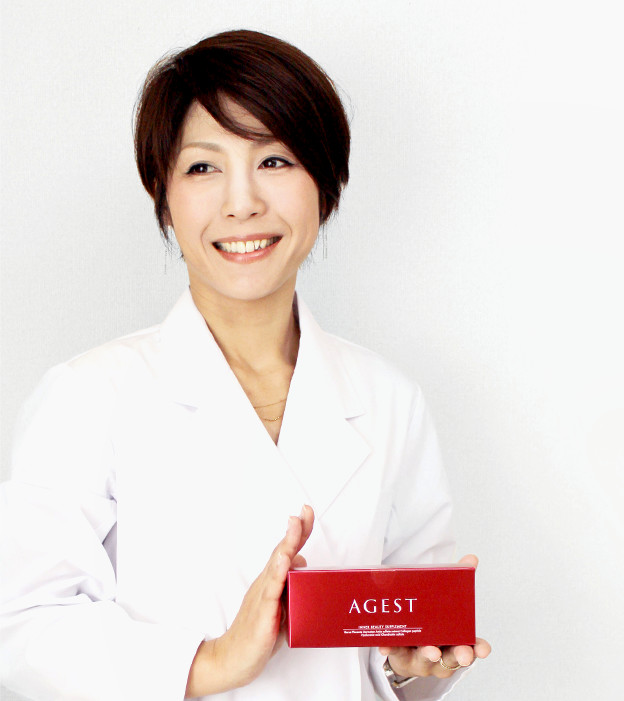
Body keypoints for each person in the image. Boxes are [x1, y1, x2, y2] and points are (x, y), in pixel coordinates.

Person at [0, 29, 490, 700]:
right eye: (203, 168)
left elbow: (401, 651)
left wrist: (412, 662)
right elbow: (23, 634)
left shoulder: (388, 399)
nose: (242, 203)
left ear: (326, 183)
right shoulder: (88, 397)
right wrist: (212, 662)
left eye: (275, 161)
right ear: (162, 192)